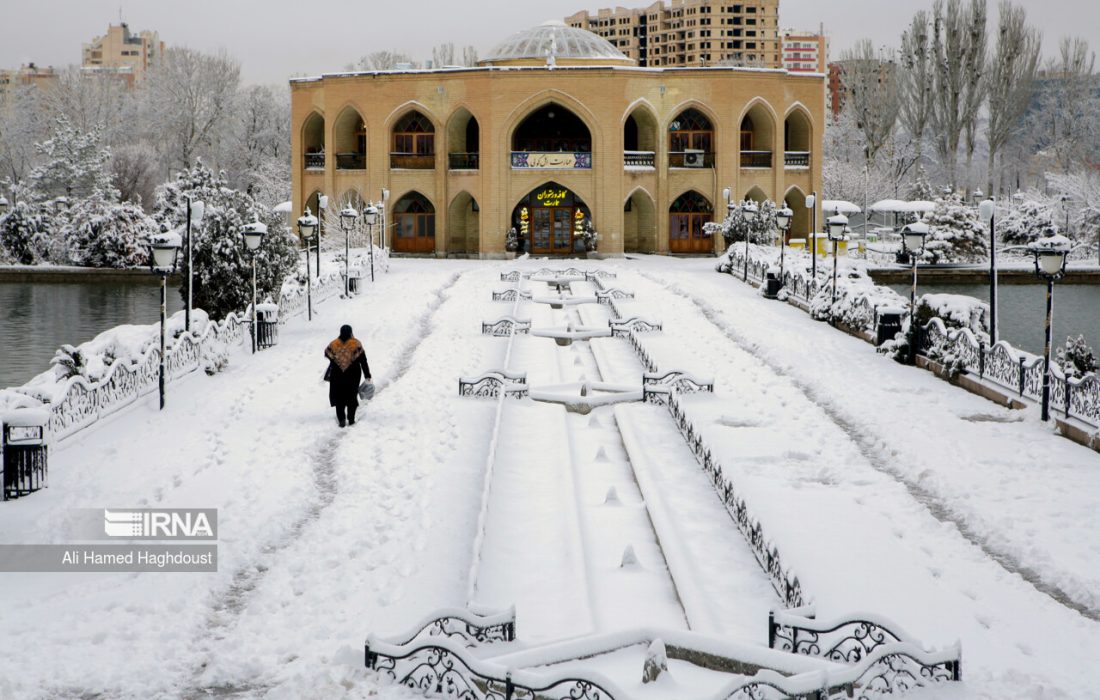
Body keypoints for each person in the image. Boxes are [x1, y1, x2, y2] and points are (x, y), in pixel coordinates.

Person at [324, 324, 372, 427]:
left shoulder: (334, 344)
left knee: (339, 397)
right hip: (353, 375)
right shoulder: (356, 344)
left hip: (337, 375)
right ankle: (351, 419)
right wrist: (367, 375)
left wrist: (338, 358)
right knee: (351, 396)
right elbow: (363, 361)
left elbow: (327, 354)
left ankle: (341, 419)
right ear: (351, 332)